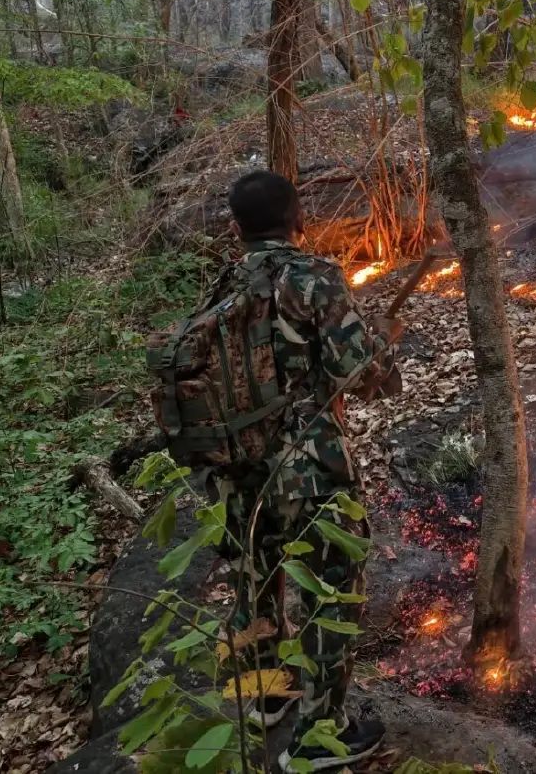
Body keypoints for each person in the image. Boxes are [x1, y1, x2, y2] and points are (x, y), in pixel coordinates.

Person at [217, 168, 402, 771]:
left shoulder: (221, 283)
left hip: (237, 464)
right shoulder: (314, 277)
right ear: (298, 218)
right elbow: (360, 374)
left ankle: (264, 697)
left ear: (237, 226)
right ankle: (320, 736)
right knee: (330, 587)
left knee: (257, 574)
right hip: (308, 466)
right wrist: (386, 349)